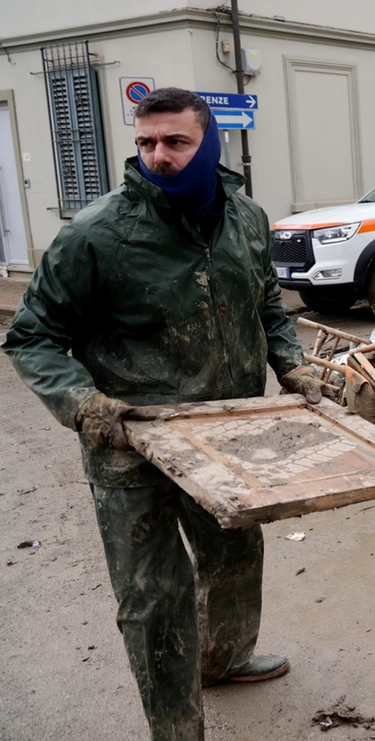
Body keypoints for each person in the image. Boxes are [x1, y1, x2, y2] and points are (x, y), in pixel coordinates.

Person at [2, 87, 325, 741]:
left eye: (176, 142)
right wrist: (84, 404)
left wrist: (290, 362)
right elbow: (31, 336)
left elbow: (265, 300)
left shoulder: (248, 219)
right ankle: (177, 732)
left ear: (208, 143)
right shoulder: (96, 235)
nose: (159, 156)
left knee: (235, 558)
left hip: (229, 437)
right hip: (132, 447)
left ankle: (225, 657)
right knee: (154, 603)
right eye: (147, 143)